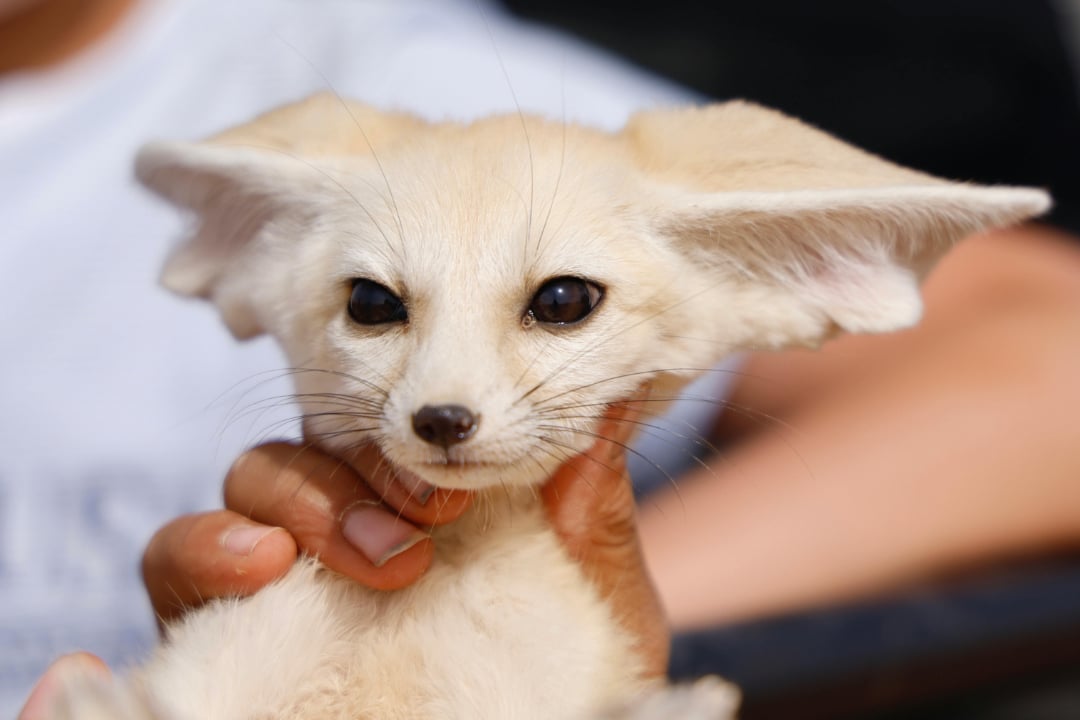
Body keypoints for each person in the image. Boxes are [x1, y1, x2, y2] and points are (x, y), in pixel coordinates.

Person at [9, 1, 1080, 717]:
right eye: (380, 307)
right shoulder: (294, 178)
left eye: (559, 305)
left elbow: (1054, 359)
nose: (444, 400)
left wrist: (540, 624)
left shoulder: (378, 66)